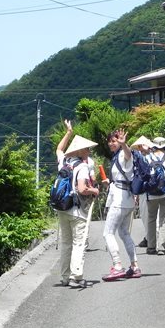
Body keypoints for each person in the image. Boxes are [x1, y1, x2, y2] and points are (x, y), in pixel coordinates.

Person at [55, 119, 100, 287]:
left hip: (62, 208)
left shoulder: (63, 162)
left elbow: (59, 149)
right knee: (78, 242)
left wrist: (68, 133)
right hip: (76, 210)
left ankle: (65, 276)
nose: (88, 151)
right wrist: (94, 191)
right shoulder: (82, 167)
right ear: (80, 150)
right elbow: (82, 189)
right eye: (87, 148)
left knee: (66, 243)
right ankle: (76, 276)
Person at [102, 129, 141, 281]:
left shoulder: (124, 155)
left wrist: (124, 144)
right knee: (124, 233)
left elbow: (128, 155)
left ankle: (117, 266)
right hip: (127, 199)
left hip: (119, 200)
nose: (111, 143)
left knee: (108, 232)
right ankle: (135, 265)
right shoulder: (116, 157)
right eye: (110, 141)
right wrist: (109, 183)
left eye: (114, 140)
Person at [129, 135, 154, 248]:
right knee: (151, 215)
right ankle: (151, 236)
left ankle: (150, 238)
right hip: (156, 190)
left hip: (146, 191)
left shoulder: (144, 159)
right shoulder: (157, 156)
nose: (139, 149)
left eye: (140, 147)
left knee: (146, 215)